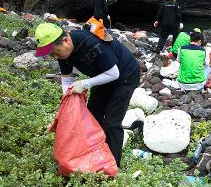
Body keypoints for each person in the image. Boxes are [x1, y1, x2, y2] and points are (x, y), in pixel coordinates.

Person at [34, 23, 140, 167]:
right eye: (52, 54)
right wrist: (67, 103)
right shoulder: (62, 53)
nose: (55, 57)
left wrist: (84, 84)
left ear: (66, 40)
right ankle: (94, 155)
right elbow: (67, 79)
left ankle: (113, 166)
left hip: (125, 76)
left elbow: (114, 73)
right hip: (103, 75)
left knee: (111, 122)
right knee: (91, 116)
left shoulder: (90, 43)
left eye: (56, 52)